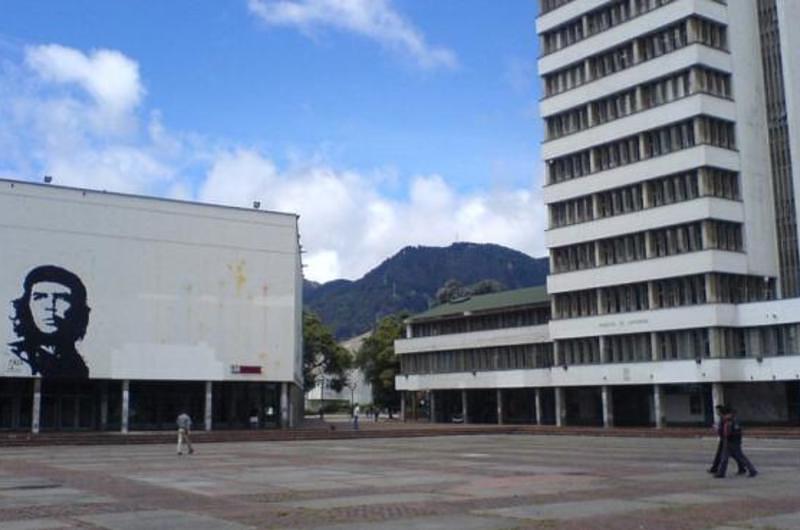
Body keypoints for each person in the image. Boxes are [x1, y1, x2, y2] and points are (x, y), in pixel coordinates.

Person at [7, 265, 90, 378]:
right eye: (40, 297)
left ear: (76, 308)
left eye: (61, 298)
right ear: (26, 305)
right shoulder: (10, 355)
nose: (50, 306)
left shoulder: (77, 363)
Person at [714, 407, 757, 478]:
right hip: (727, 441)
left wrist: (731, 436)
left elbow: (737, 433)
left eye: (725, 415)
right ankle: (721, 473)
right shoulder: (725, 421)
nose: (724, 416)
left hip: (733, 442)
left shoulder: (734, 421)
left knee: (741, 457)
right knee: (724, 458)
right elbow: (722, 431)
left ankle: (752, 470)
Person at [708, 404, 744, 475]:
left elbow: (731, 430)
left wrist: (720, 430)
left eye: (717, 411)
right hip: (725, 439)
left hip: (729, 440)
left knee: (732, 455)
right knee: (724, 455)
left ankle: (745, 468)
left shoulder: (728, 419)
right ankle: (716, 469)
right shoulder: (724, 418)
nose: (717, 412)